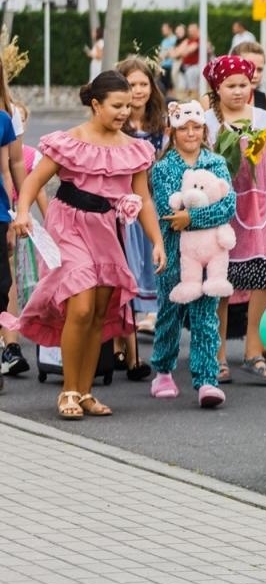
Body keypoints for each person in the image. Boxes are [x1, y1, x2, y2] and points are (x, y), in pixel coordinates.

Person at [3, 71, 164, 420]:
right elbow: (34, 179)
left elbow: (144, 199)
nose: (124, 112)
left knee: (97, 313)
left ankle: (86, 391)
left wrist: (157, 242)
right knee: (80, 304)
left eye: (127, 106)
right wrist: (23, 212)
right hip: (69, 224)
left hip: (107, 229)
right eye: (116, 105)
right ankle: (68, 391)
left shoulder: (134, 149)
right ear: (95, 104)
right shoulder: (69, 141)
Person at [202, 55, 266, 385]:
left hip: (264, 211)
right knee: (221, 287)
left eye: (244, 84)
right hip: (224, 214)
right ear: (217, 87)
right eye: (231, 85)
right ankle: (218, 355)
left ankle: (255, 351)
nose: (239, 91)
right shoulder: (208, 123)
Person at [148, 101, 236, 408]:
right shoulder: (163, 168)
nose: (190, 134)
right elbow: (165, 210)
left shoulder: (217, 164)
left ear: (204, 130)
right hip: (174, 256)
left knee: (205, 317)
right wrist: (183, 218)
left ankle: (206, 379)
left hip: (210, 257)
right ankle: (162, 369)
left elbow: (228, 206)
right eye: (183, 128)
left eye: (195, 128)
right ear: (173, 132)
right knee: (170, 315)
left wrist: (192, 218)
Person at [117, 55, 166, 357]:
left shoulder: (161, 122)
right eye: (131, 84)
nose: (138, 90)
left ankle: (150, 315)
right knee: (127, 264)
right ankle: (124, 334)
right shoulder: (117, 123)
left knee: (151, 261)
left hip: (153, 201)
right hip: (124, 205)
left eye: (143, 83)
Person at [0, 70, 27, 387]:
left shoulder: (4, 120)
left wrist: (17, 213)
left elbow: (8, 169)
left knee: (2, 285)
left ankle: (9, 345)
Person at [157, 22, 178, 92]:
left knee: (171, 89)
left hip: (171, 68)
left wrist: (165, 54)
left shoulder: (175, 39)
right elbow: (160, 55)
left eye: (164, 29)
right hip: (163, 67)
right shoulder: (164, 41)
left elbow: (171, 52)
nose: (162, 31)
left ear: (170, 29)